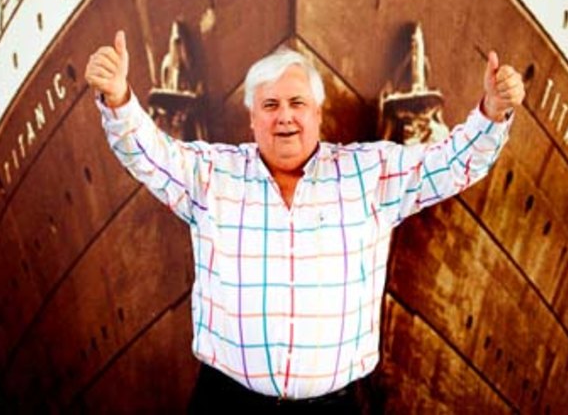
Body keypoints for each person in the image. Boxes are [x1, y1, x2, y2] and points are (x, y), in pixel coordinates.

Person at [85, 31, 525, 412]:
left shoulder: (369, 174)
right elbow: (147, 155)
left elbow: (449, 165)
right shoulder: (211, 176)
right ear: (252, 118)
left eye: (297, 103)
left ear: (317, 113)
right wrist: (120, 98)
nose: (285, 116)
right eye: (270, 105)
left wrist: (492, 110)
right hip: (228, 404)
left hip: (333, 410)